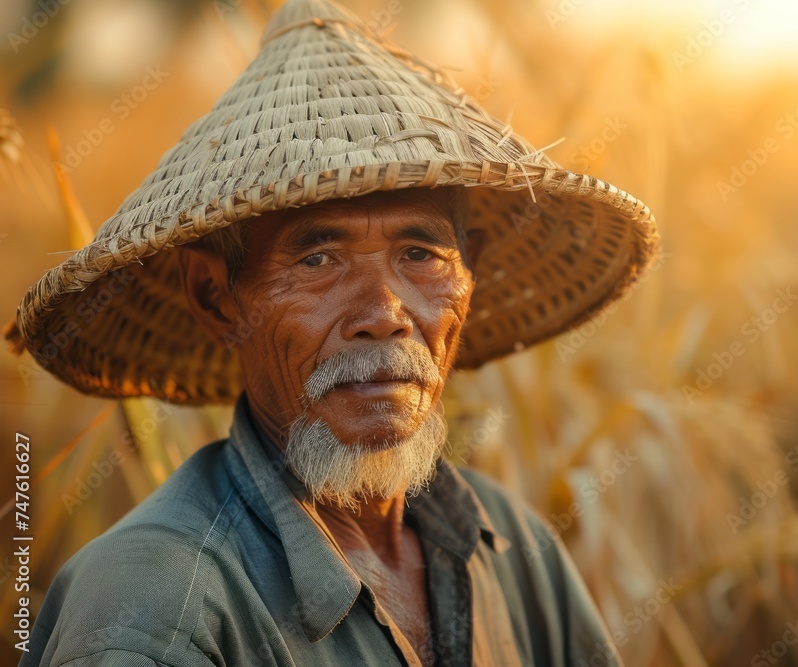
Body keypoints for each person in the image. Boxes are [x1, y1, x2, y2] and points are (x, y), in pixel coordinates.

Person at [7, 0, 658, 664]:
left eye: (421, 255)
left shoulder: (512, 544)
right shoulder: (150, 605)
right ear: (217, 297)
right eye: (317, 259)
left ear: (472, 275)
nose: (384, 312)